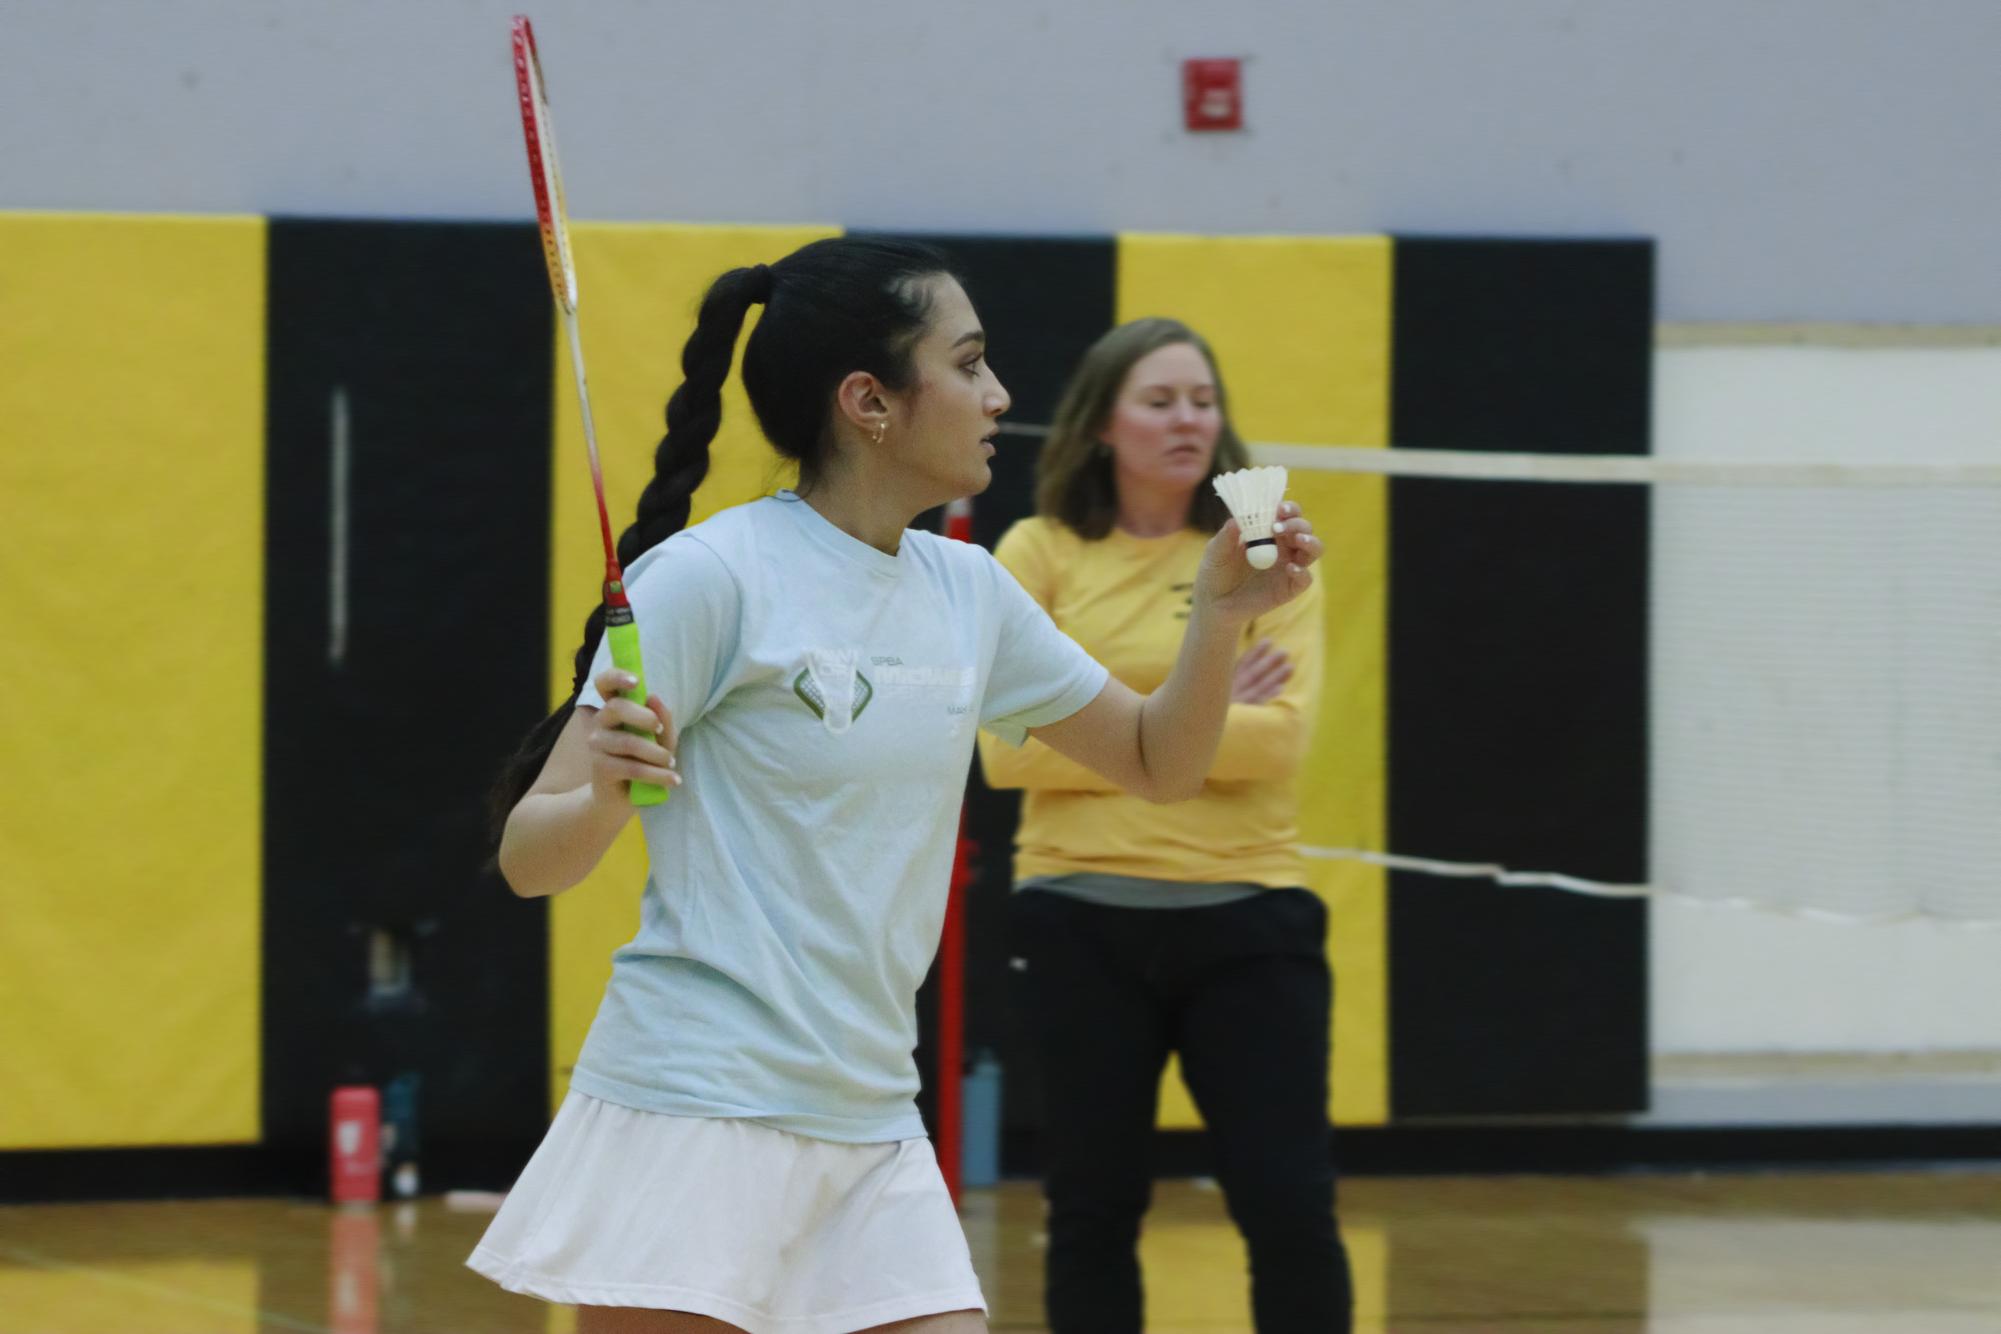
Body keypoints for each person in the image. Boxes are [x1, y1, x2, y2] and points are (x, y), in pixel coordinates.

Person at [470, 241, 1323, 1334]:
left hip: (870, 1113)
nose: (999, 396)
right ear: (868, 401)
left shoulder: (969, 590)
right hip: (699, 1103)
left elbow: (1161, 761)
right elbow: (528, 857)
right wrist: (599, 801)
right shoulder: (708, 578)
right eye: (968, 365)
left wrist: (1218, 614)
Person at [979, 317, 1351, 1333]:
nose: (1188, 417)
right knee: (1092, 1205)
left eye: (1202, 397)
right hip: (1077, 914)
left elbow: (1281, 743)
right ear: (1103, 423)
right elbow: (1005, 751)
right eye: (1159, 398)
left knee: (1288, 1203)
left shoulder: (1265, 550)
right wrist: (1193, 701)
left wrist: (1100, 708)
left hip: (1250, 915)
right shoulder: (1039, 551)